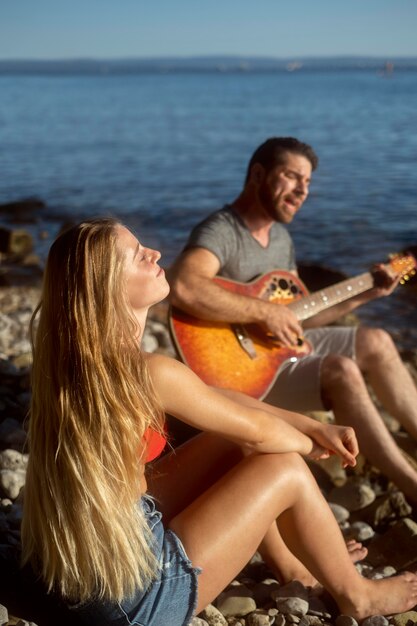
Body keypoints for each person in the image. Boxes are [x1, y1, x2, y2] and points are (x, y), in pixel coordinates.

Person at [21, 218, 417, 625]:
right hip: (139, 601)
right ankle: (359, 595)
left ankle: (296, 568)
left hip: (82, 581)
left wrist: (308, 424)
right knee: (284, 467)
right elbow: (261, 434)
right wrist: (308, 445)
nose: (155, 252)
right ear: (107, 287)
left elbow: (216, 401)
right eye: (139, 256)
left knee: (233, 443)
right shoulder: (148, 372)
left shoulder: (82, 364)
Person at [169, 137, 417, 510]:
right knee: (341, 369)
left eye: (308, 182)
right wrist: (264, 312)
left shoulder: (281, 239)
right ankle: (411, 484)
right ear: (257, 174)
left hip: (275, 355)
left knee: (377, 340)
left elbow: (299, 319)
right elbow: (184, 285)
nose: (302, 190)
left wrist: (366, 295)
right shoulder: (223, 230)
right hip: (238, 380)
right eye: (292, 176)